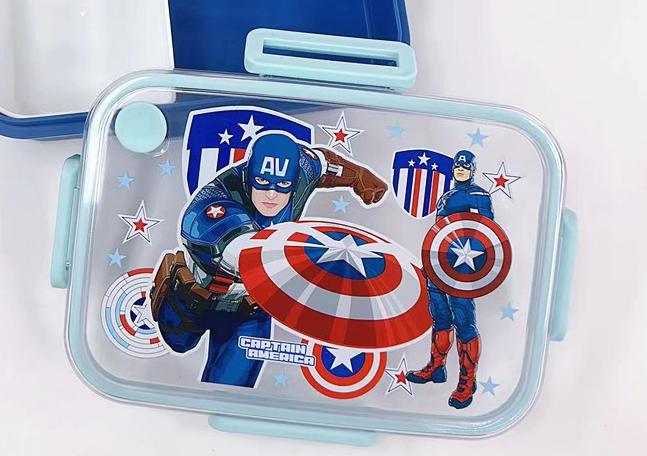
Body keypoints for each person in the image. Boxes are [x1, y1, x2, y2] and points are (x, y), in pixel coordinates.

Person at [150, 131, 387, 387]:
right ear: (248, 174)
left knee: (230, 389)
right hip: (194, 302)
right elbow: (247, 256)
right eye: (262, 181)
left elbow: (325, 163)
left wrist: (358, 175)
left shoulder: (301, 170)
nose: (271, 194)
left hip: (249, 310)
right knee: (178, 343)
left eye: (282, 185)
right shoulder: (213, 204)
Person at [406, 150, 493, 409]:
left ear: (473, 169)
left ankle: (467, 381)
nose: (460, 169)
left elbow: (487, 233)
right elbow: (438, 232)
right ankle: (436, 367)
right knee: (441, 317)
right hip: (439, 265)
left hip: (464, 268)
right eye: (457, 166)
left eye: (465, 166)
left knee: (464, 322)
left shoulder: (479, 196)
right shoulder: (445, 197)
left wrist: (475, 266)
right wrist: (430, 262)